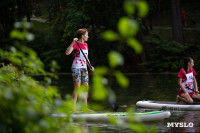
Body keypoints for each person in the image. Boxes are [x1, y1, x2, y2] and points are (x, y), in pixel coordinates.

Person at [65, 28, 94, 111]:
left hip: (84, 68)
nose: (88, 37)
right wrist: (73, 42)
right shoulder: (75, 44)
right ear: (82, 36)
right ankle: (73, 108)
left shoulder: (86, 45)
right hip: (76, 68)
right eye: (87, 35)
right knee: (77, 87)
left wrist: (90, 66)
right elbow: (67, 53)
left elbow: (86, 57)